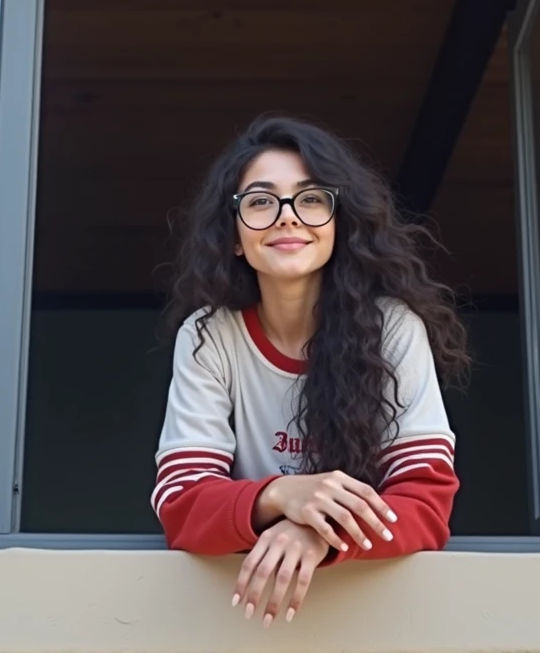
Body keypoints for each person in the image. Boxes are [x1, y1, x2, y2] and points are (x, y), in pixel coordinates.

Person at [153, 115, 468, 626]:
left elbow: (426, 503)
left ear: (338, 223)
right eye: (259, 201)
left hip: (371, 612)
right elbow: (182, 502)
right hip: (240, 622)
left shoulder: (393, 329)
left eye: (311, 198)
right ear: (233, 236)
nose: (286, 217)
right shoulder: (209, 335)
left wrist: (319, 530)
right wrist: (282, 495)